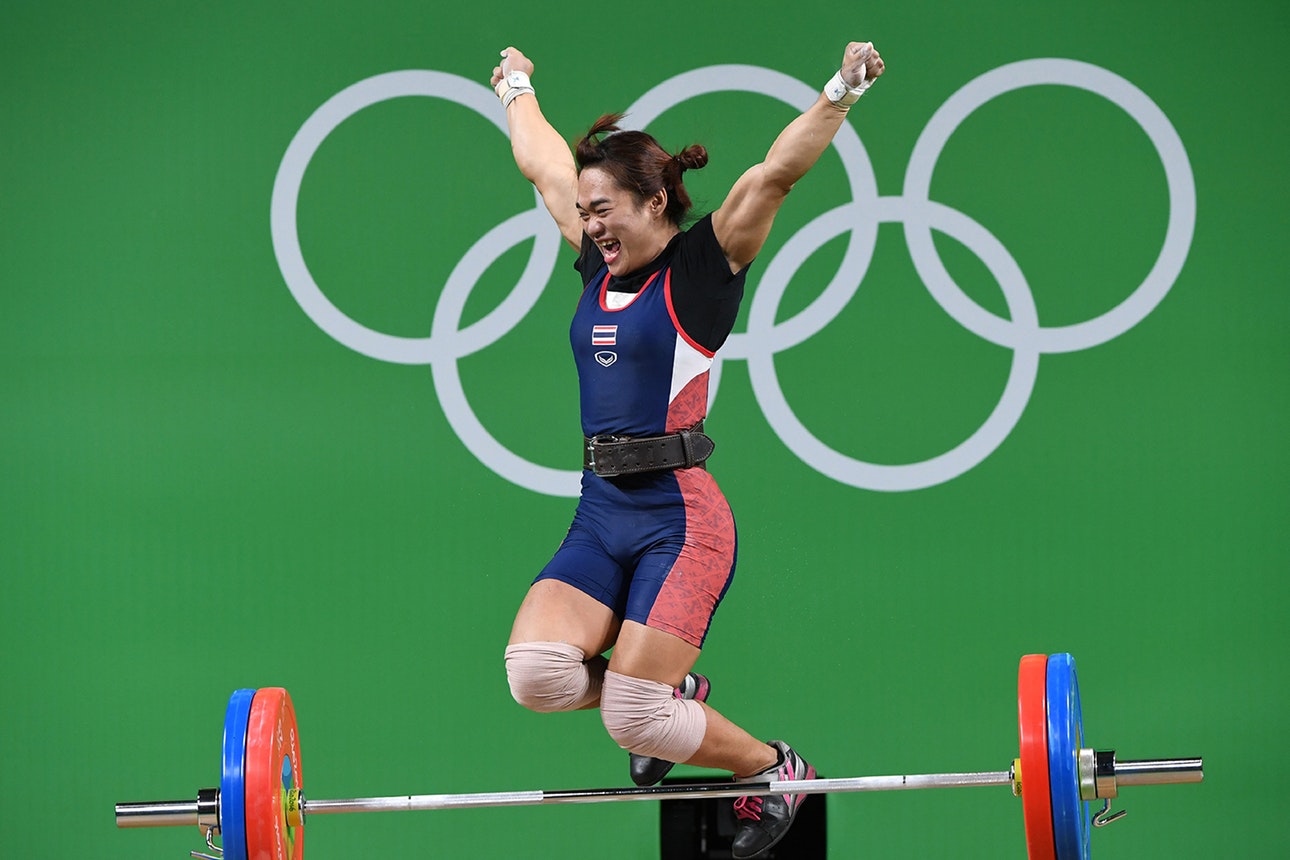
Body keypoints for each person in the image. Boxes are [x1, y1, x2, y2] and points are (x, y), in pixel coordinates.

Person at [491, 40, 884, 859]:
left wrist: (840, 90)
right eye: (586, 212)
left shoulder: (702, 267)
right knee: (536, 675)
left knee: (634, 717)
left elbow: (775, 174)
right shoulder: (596, 264)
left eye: (605, 209)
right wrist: (517, 87)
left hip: (681, 521)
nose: (591, 225)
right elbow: (543, 167)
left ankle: (774, 768)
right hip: (602, 512)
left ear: (657, 200)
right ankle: (672, 688)